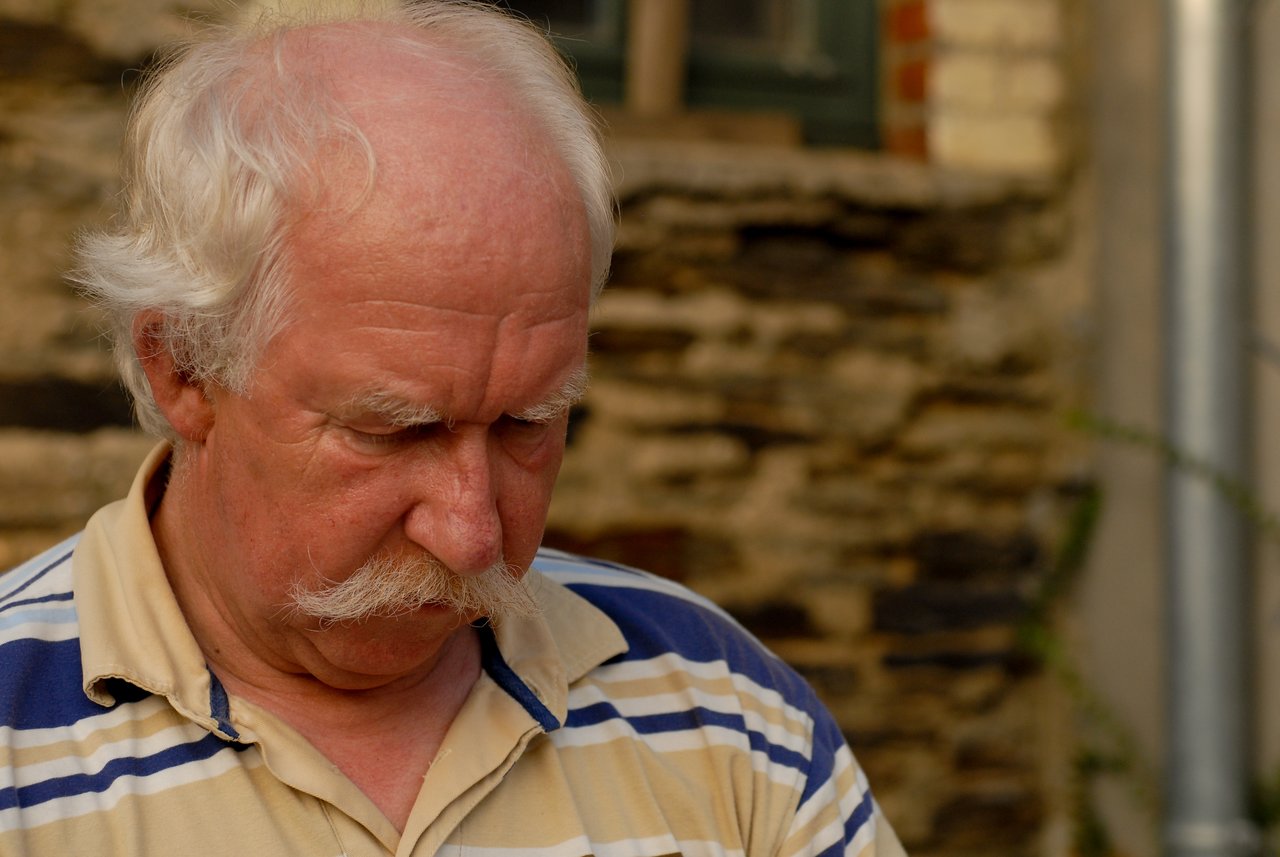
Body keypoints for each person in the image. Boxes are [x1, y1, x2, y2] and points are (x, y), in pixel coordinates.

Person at [0, 3, 905, 855]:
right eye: (393, 431)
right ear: (185, 367)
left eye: (529, 422)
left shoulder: (725, 704)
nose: (474, 533)